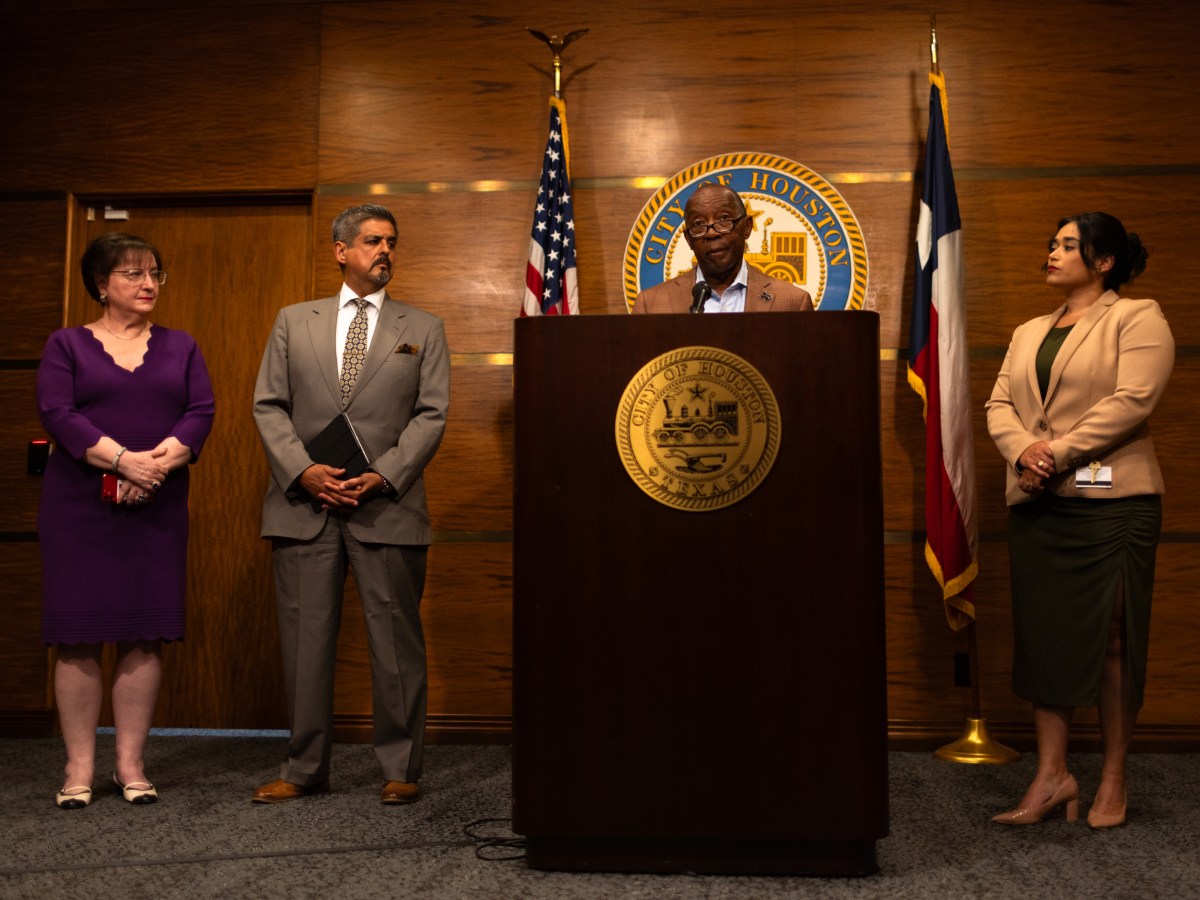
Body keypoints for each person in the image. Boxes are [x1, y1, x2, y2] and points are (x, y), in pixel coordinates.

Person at [252, 203, 449, 805]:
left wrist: (384, 475)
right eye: (371, 241)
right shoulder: (294, 321)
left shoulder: (424, 327)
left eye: (391, 241)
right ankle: (304, 768)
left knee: (395, 644)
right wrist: (305, 471)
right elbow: (269, 406)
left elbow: (431, 414)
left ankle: (399, 769)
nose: (384, 251)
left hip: (385, 507)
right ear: (341, 251)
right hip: (304, 508)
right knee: (306, 645)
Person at [985, 212, 1174, 829]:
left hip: (1114, 504)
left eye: (1068, 245)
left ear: (1104, 261)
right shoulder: (1028, 329)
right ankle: (1052, 776)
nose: (1053, 252)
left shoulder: (1136, 316)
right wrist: (1022, 451)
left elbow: (1134, 400)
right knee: (1046, 639)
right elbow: (1000, 404)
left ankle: (1113, 779)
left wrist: (1054, 453)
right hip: (1040, 503)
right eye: (1052, 243)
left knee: (1114, 643)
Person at [36, 232, 215, 809]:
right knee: (78, 636)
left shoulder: (181, 345)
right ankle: (78, 768)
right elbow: (57, 412)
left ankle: (132, 766)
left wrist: (159, 461)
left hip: (157, 503)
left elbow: (200, 411)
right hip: (80, 507)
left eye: (155, 274)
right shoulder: (66, 344)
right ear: (100, 283)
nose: (148, 284)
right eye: (134, 274)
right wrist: (122, 459)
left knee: (144, 633)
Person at [631, 182, 814, 314]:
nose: (712, 233)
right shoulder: (650, 305)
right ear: (688, 240)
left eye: (724, 219)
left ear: (747, 227)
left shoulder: (793, 303)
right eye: (698, 223)